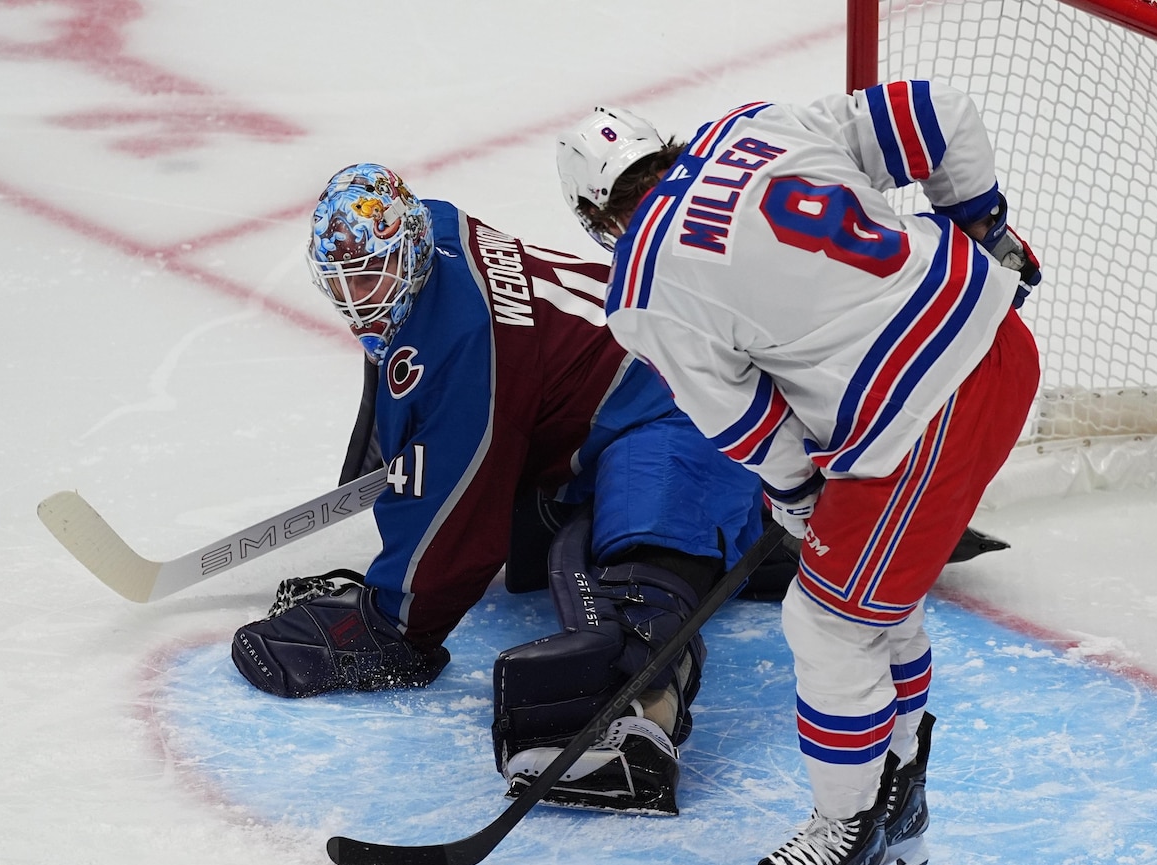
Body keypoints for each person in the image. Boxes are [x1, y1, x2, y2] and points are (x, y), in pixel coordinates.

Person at [555, 85, 1041, 865]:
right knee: (868, 597)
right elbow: (939, 116)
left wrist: (795, 493)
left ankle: (850, 830)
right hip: (989, 339)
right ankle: (897, 793)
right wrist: (982, 226)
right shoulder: (752, 125)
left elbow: (743, 422)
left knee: (826, 623)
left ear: (598, 214)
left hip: (926, 413)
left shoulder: (643, 284)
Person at [228, 162, 772, 815]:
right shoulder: (436, 228)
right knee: (553, 539)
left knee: (644, 563)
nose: (358, 300)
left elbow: (459, 505)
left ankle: (638, 723)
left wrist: (392, 621)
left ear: (407, 251)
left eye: (370, 275)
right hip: (653, 384)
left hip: (700, 407)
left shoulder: (465, 344)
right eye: (343, 282)